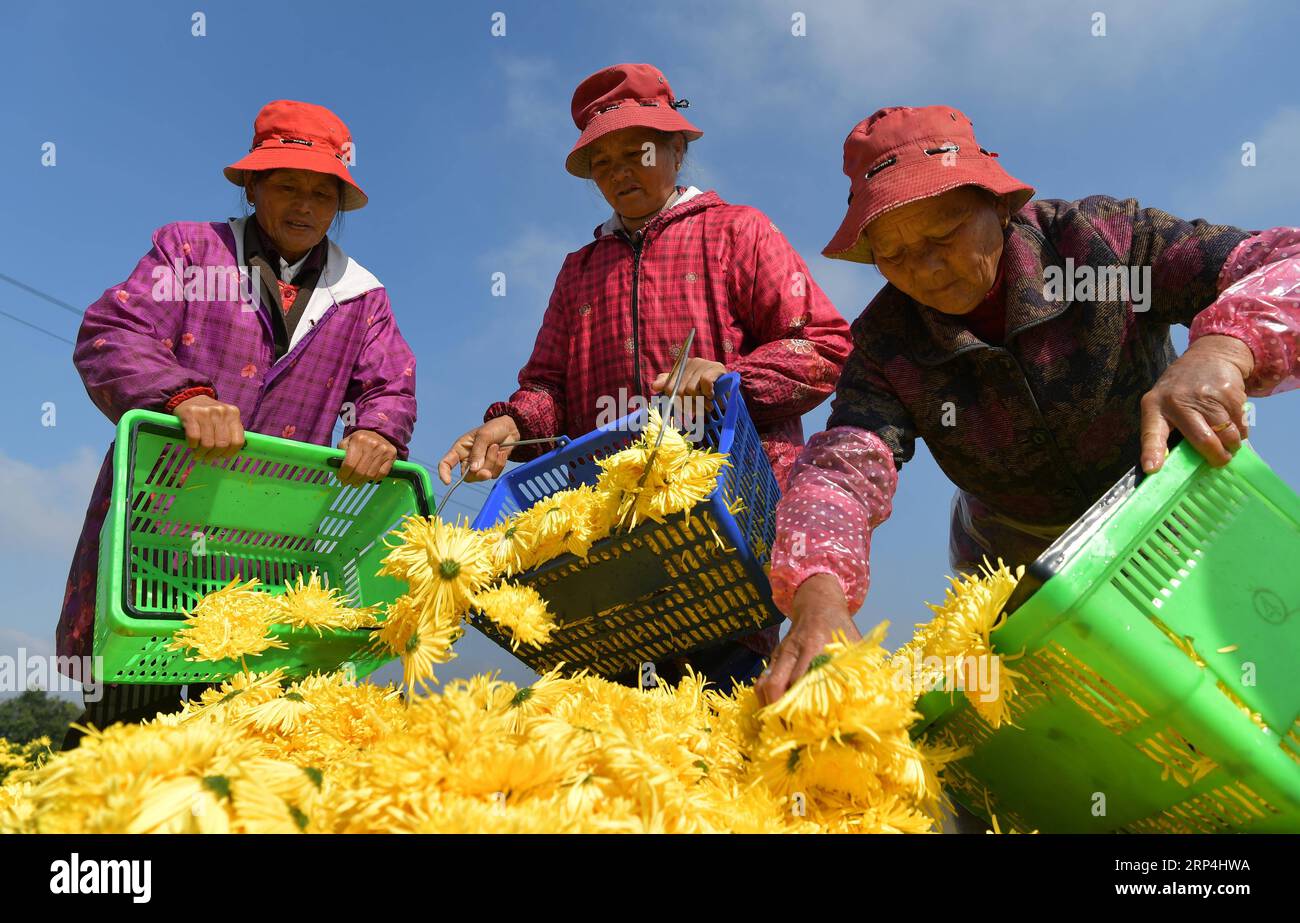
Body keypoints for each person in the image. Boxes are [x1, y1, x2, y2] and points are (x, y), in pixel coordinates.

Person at [752, 105, 1299, 828]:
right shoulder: (886, 342)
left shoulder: (1103, 246)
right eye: (894, 253)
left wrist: (1224, 350)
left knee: (1234, 703)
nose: (925, 267)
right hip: (1016, 566)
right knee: (1075, 761)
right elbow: (845, 466)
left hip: (1170, 519)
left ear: (1000, 205)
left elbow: (1283, 262)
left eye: (944, 234)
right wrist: (818, 592)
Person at [439, 63, 852, 691]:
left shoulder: (737, 231)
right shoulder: (579, 271)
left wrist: (730, 377)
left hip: (729, 511)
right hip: (619, 534)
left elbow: (823, 345)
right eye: (602, 163)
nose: (620, 173)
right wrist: (511, 420)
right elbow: (548, 382)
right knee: (628, 714)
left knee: (732, 696)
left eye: (639, 152)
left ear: (678, 149)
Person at [58, 100, 419, 747]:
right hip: (158, 537)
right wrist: (183, 396)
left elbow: (389, 384)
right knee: (127, 738)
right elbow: (112, 332)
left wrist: (378, 430)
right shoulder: (192, 250)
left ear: (338, 202)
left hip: (270, 556)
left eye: (321, 191)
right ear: (253, 186)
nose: (304, 205)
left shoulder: (361, 296)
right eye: (287, 185)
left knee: (256, 740)